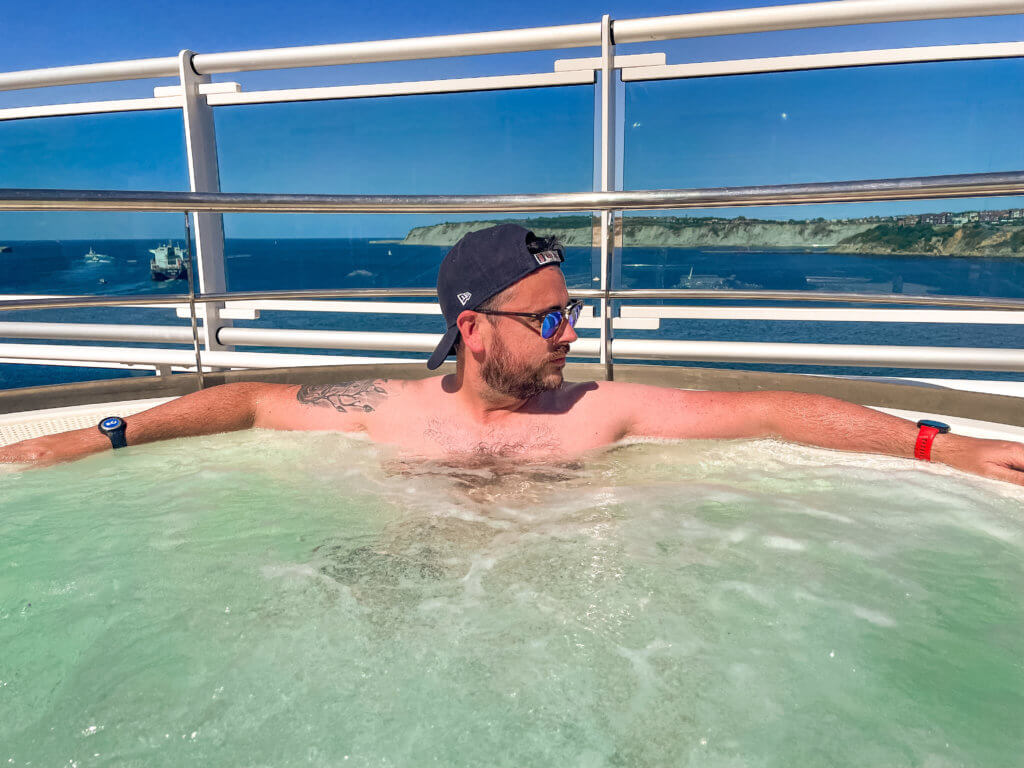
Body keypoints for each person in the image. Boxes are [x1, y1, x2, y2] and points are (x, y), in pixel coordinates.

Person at [3, 223, 1024, 485]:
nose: (571, 331)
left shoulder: (597, 412)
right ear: (472, 327)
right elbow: (246, 397)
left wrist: (944, 449)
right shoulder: (387, 407)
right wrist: (101, 438)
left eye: (570, 312)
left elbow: (766, 410)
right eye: (549, 318)